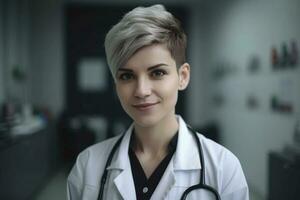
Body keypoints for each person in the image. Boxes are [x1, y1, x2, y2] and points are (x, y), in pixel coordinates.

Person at [67, 4, 249, 200]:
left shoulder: (224, 169)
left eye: (157, 73)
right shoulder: (87, 166)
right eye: (127, 76)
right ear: (116, 83)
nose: (142, 91)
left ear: (183, 77)